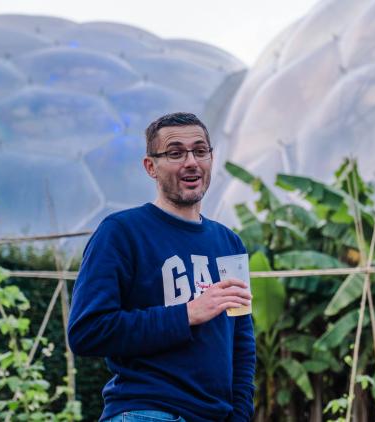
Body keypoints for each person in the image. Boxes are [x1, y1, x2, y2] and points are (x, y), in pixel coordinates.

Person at [68, 112, 256, 422]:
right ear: (150, 167)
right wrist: (186, 314)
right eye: (175, 152)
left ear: (211, 158)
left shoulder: (229, 243)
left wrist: (239, 415)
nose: (191, 161)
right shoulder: (121, 232)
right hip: (146, 412)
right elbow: (87, 332)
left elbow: (242, 342)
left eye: (200, 150)